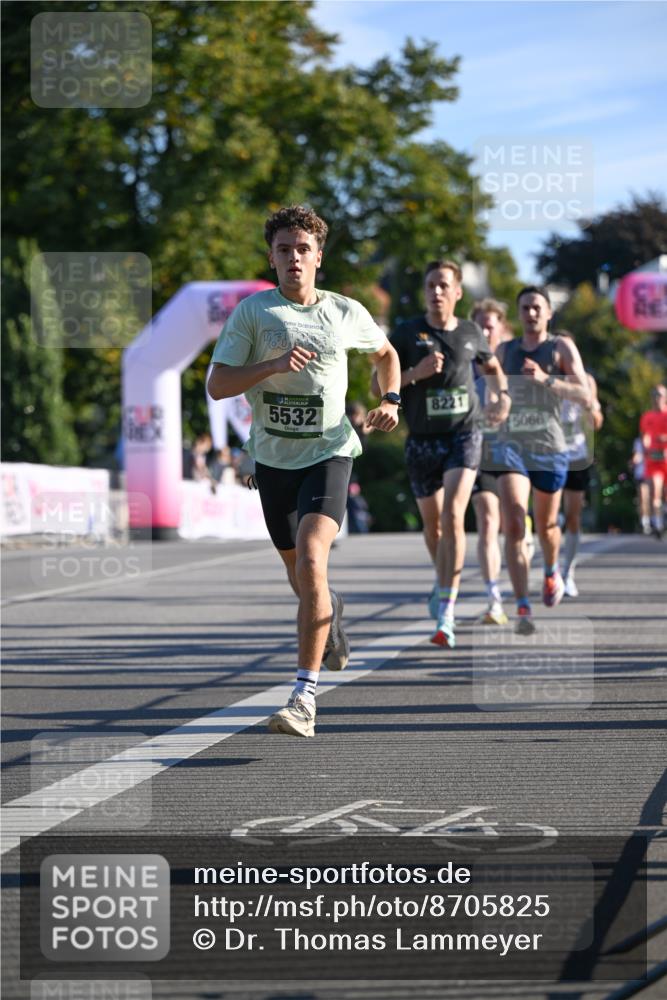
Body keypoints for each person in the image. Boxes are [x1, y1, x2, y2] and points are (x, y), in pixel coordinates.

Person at [208, 205, 400, 737]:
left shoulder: (343, 311)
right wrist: (269, 366)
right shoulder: (253, 314)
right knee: (303, 579)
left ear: (318, 256)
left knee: (314, 560)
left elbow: (386, 353)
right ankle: (331, 615)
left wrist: (392, 399)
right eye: (284, 249)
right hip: (272, 461)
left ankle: (303, 697)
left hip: (331, 452)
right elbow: (218, 385)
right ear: (271, 257)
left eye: (303, 249)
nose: (294, 258)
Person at [374, 261, 510, 649]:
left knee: (453, 514)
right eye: (430, 285)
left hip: (463, 435)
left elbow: (494, 367)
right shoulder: (405, 333)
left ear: (457, 292)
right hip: (421, 440)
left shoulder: (470, 332)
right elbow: (375, 382)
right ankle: (442, 580)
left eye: (443, 285)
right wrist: (414, 373)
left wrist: (503, 395)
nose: (436, 292)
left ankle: (447, 612)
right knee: (433, 528)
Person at [492, 287, 591, 634]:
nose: (531, 313)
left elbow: (585, 393)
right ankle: (522, 604)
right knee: (515, 522)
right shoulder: (505, 350)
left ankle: (551, 569)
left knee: (548, 526)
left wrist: (548, 379)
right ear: (518, 314)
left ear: (549, 313)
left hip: (550, 446)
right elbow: (488, 388)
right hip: (512, 446)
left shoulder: (560, 348)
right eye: (525, 308)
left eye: (537, 308)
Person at [469, 298, 509, 626]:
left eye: (490, 326)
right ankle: (493, 596)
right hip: (478, 449)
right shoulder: (465, 361)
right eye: (479, 325)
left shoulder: (513, 358)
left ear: (501, 328)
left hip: (514, 452)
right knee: (487, 520)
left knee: (513, 524)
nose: (484, 331)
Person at [557, 331, 604, 597]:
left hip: (576, 452)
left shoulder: (586, 381)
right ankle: (551, 570)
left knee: (573, 516)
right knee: (548, 518)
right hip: (546, 451)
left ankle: (568, 573)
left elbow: (596, 420)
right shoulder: (544, 377)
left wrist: (592, 413)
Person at [639, 384, 667, 539]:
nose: (657, 398)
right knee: (653, 492)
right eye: (655, 395)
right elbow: (645, 436)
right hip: (653, 460)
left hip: (666, 459)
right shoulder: (647, 417)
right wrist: (646, 443)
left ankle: (663, 517)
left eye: (660, 395)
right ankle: (658, 524)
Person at [630, 436, 651, 534]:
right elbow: (636, 458)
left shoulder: (657, 439)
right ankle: (645, 522)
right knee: (644, 498)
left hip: (654, 473)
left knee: (653, 498)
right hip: (641, 474)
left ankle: (656, 520)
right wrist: (634, 461)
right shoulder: (638, 441)